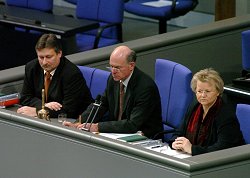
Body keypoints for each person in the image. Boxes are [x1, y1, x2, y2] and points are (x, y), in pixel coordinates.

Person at [64, 45, 163, 138]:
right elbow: (101, 105)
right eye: (111, 66)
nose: (113, 71)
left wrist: (97, 127)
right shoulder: (113, 79)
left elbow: (132, 124)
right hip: (119, 133)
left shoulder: (145, 87)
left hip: (144, 136)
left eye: (117, 67)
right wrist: (79, 123)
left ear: (131, 65)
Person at [169, 68, 244, 156]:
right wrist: (175, 142)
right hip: (192, 156)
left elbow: (222, 149)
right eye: (199, 91)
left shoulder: (225, 115)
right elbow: (179, 132)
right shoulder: (194, 107)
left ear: (218, 92)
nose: (203, 95)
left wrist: (192, 149)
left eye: (207, 91)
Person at [17, 34, 93, 119]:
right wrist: (44, 105)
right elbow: (25, 97)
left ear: (59, 53)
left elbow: (69, 110)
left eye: (48, 57)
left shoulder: (72, 74)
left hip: (74, 121)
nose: (44, 62)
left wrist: (37, 111)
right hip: (50, 117)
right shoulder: (32, 67)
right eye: (41, 57)